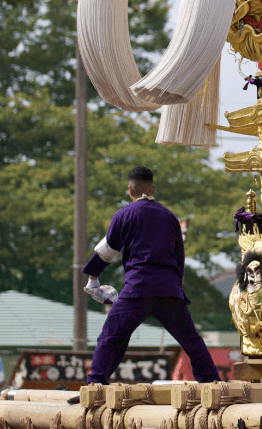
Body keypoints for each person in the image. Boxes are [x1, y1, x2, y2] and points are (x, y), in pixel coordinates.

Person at [82, 165, 221, 385]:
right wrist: (176, 287)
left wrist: (93, 277)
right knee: (191, 340)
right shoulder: (170, 217)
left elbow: (107, 251)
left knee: (111, 336)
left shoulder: (123, 215)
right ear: (153, 188)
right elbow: (179, 257)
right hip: (169, 291)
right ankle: (212, 382)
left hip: (137, 289)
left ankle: (96, 382)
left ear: (130, 190)